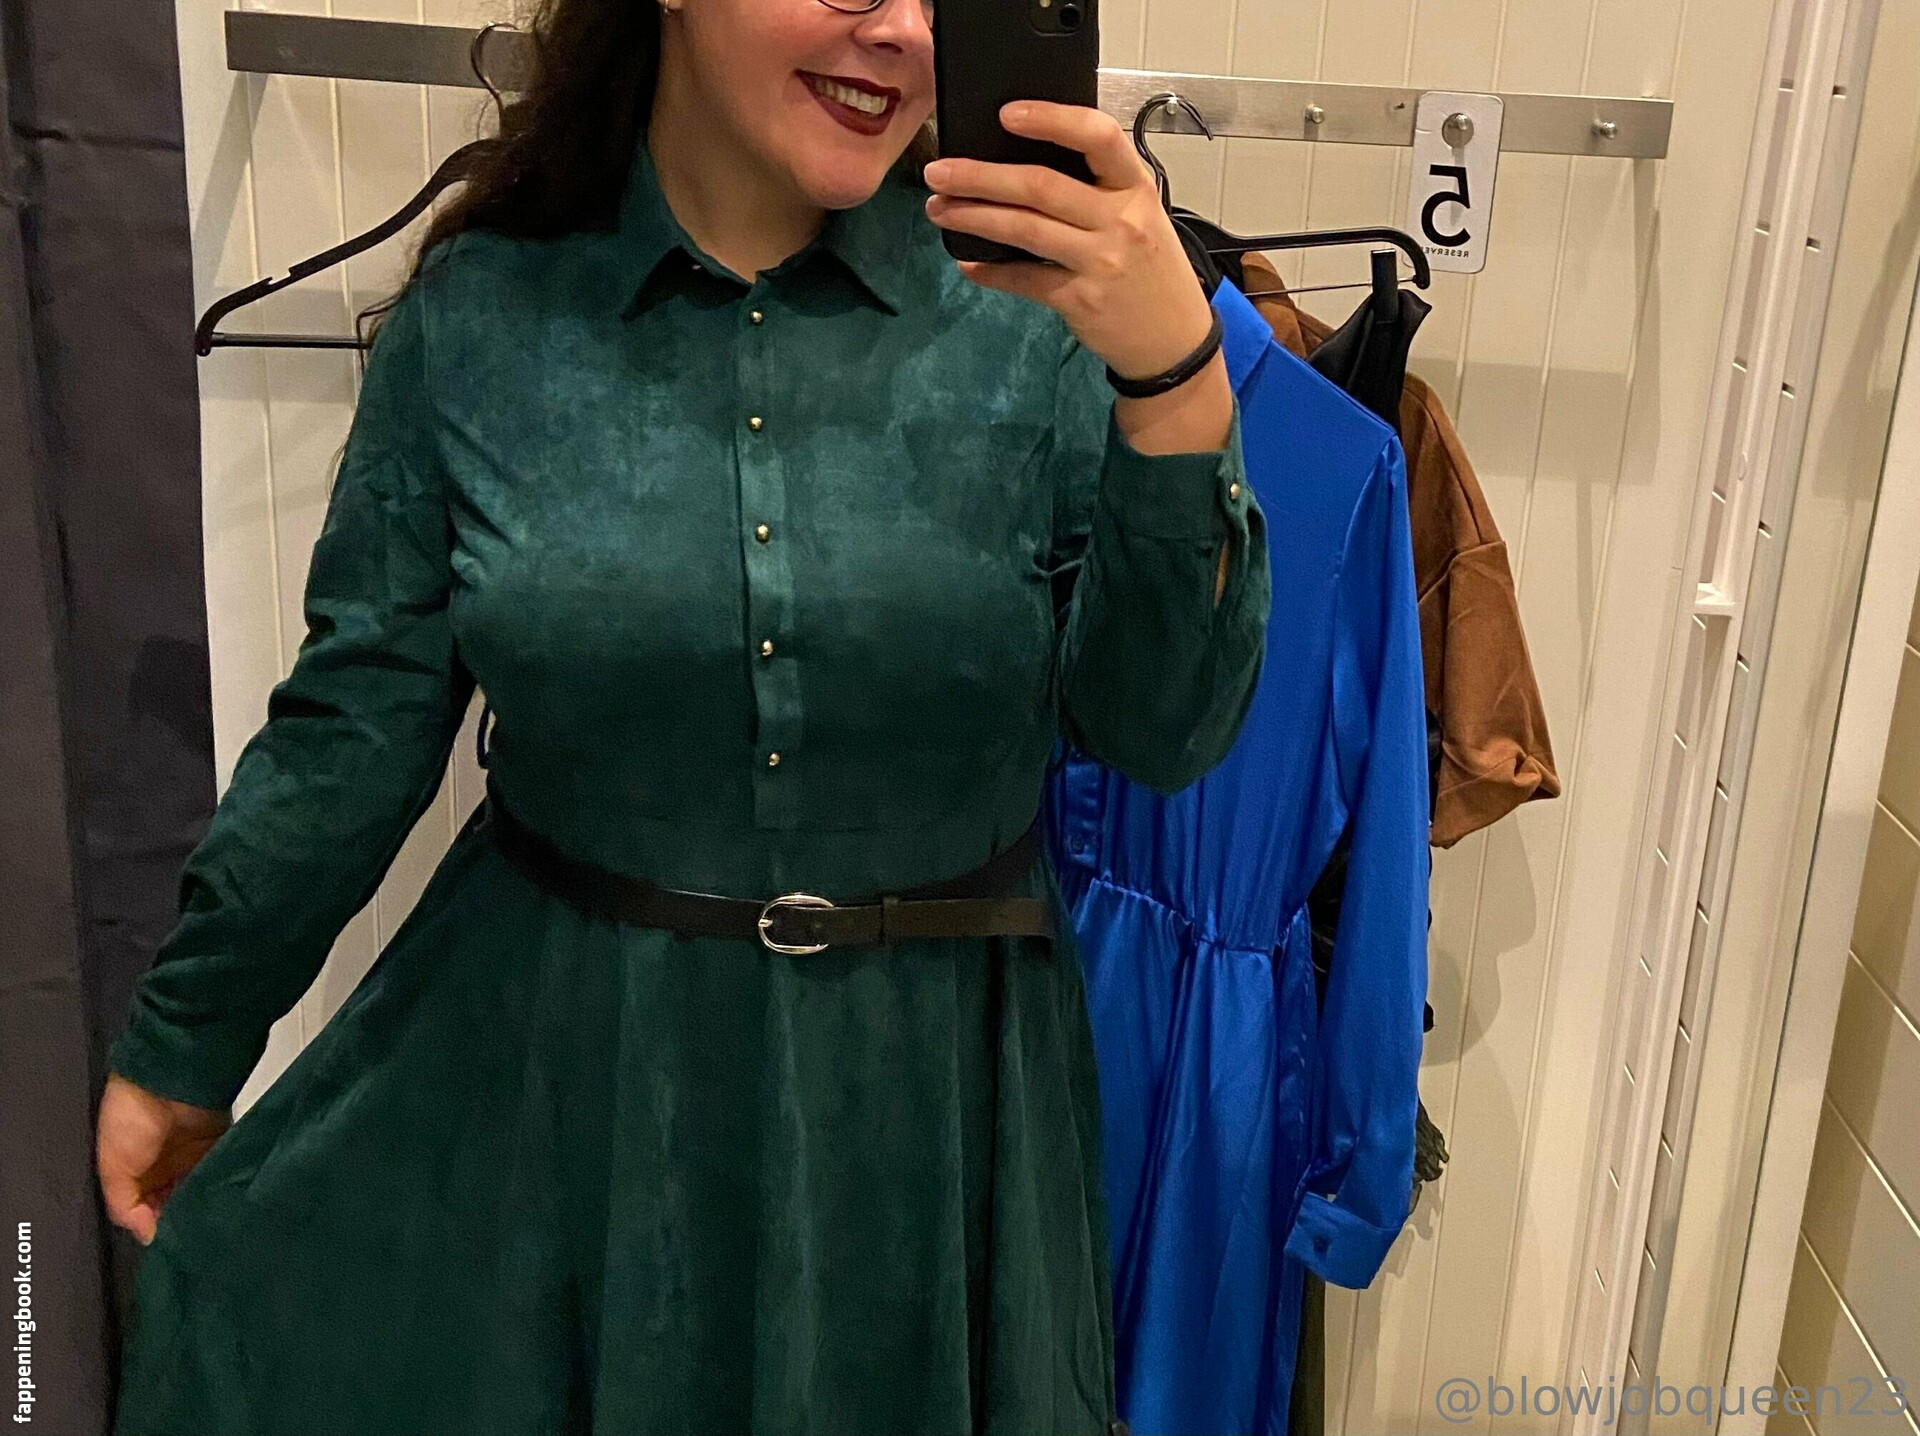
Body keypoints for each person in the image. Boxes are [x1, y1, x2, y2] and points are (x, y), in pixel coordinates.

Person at [95, 0, 1271, 1429]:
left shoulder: (1041, 325)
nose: (902, 30)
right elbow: (352, 732)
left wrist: (1174, 388)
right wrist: (188, 1036)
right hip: (567, 1106)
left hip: (928, 1119)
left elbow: (1164, 734)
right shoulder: (485, 319)